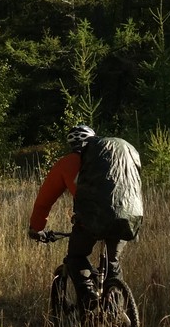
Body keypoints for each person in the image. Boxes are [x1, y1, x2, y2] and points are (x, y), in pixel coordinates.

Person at [28, 123, 143, 310]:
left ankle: (89, 300)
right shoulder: (115, 158)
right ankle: (119, 313)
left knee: (76, 256)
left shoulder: (67, 163)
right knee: (113, 265)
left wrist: (36, 228)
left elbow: (43, 202)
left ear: (72, 145)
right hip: (128, 217)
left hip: (90, 222)